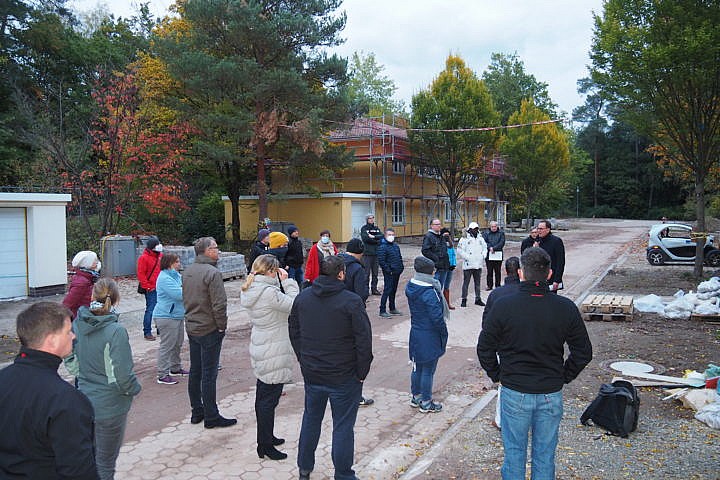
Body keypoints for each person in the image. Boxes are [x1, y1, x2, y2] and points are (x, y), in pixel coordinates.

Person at [476, 247, 592, 480]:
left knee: (514, 452)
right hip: (550, 391)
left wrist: (497, 375)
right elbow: (583, 352)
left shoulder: (504, 305)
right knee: (545, 454)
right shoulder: (565, 307)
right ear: (549, 274)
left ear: (520, 273)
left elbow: (484, 347)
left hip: (515, 389)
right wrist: (563, 375)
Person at [289, 255, 373, 480]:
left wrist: (303, 359)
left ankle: (304, 468)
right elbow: (364, 341)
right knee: (343, 427)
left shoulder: (303, 298)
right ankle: (343, 474)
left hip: (314, 372)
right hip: (343, 377)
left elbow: (293, 331)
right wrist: (361, 373)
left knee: (311, 419)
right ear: (341, 274)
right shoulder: (352, 301)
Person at [0, 302, 99, 480]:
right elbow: (79, 472)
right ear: (52, 340)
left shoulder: (4, 379)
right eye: (68, 331)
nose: (74, 336)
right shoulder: (67, 401)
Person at [71, 278, 142, 480]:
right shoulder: (116, 331)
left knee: (90, 458)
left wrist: (82, 376)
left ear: (92, 296)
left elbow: (70, 357)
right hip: (110, 407)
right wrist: (134, 389)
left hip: (84, 400)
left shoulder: (78, 323)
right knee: (105, 464)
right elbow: (122, 375)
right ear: (117, 300)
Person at [241, 254, 299, 461]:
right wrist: (288, 282)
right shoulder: (268, 293)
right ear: (271, 271)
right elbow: (295, 304)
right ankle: (264, 445)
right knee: (268, 400)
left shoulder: (254, 287)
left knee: (263, 396)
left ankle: (266, 437)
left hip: (262, 343)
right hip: (273, 347)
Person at [182, 237, 237, 429]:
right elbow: (219, 304)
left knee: (196, 370)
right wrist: (221, 326)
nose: (218, 251)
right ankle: (211, 416)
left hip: (193, 326)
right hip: (209, 328)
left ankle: (197, 411)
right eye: (215, 248)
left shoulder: (188, 271)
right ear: (206, 251)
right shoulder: (212, 273)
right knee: (208, 373)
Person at [480, 256, 521, 431]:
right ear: (520, 271)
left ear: (505, 271)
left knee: (506, 384)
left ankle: (500, 419)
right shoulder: (524, 292)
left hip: (502, 345)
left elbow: (486, 321)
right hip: (521, 342)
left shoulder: (496, 294)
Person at [406, 256, 448, 413]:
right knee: (428, 370)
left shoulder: (411, 286)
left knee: (417, 367)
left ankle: (416, 396)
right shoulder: (429, 292)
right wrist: (444, 332)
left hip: (416, 331)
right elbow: (437, 317)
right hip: (429, 335)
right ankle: (426, 401)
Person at [340, 238, 374, 407]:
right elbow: (362, 293)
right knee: (356, 354)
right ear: (360, 253)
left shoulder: (336, 262)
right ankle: (355, 396)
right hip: (352, 315)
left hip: (333, 313)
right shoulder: (357, 268)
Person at [153, 253, 188, 385]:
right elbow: (179, 294)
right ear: (169, 263)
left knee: (177, 343)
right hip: (166, 316)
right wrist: (188, 289)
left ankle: (175, 367)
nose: (179, 264)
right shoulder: (164, 278)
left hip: (177, 315)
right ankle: (162, 374)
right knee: (167, 345)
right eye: (177, 262)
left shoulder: (176, 276)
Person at [137, 235, 163, 340]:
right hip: (151, 288)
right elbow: (141, 274)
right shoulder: (144, 258)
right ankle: (147, 332)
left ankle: (159, 329)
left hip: (160, 287)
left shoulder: (160, 255)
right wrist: (148, 287)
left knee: (161, 309)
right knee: (150, 310)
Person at [456, 222, 487, 307]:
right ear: (470, 229)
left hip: (478, 263)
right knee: (466, 282)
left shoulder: (480, 238)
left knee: (477, 283)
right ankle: (464, 299)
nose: (475, 230)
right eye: (474, 229)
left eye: (476, 228)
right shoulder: (464, 239)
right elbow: (460, 250)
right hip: (468, 264)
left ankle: (478, 298)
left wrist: (483, 255)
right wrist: (467, 257)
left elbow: (485, 247)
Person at [63, 250, 101, 318]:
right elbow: (68, 303)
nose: (97, 262)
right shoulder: (82, 282)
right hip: (80, 319)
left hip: (85, 315)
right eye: (95, 260)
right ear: (88, 263)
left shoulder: (88, 277)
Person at [377, 227, 404, 318]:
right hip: (389, 273)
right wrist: (388, 270)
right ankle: (382, 310)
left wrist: (401, 267)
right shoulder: (382, 247)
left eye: (392, 235)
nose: (391, 236)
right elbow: (381, 261)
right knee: (387, 290)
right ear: (385, 236)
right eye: (389, 235)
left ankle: (392, 308)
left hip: (397, 272)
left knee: (393, 290)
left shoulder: (396, 246)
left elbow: (399, 257)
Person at [422, 219, 451, 295]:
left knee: (440, 288)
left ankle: (438, 304)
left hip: (444, 266)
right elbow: (425, 250)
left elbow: (446, 248)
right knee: (434, 288)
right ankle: (433, 305)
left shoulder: (441, 236)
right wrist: (436, 259)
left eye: (439, 224)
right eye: (436, 224)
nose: (439, 226)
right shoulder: (429, 236)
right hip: (436, 267)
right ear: (432, 226)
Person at [537, 219, 566, 292]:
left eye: (541, 229)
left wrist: (557, 280)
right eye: (538, 228)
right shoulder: (537, 241)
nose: (539, 231)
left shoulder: (556, 241)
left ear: (548, 229)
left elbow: (560, 262)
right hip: (538, 278)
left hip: (551, 278)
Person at [360, 213, 383, 295]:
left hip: (376, 254)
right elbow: (365, 239)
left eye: (373, 218)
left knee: (375, 273)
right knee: (366, 274)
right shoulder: (364, 228)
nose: (371, 219)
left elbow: (382, 237)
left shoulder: (376, 228)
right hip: (367, 254)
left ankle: (374, 289)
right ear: (367, 219)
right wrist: (376, 240)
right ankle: (366, 290)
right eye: (370, 218)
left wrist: (373, 237)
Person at [483, 221, 505, 290]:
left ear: (497, 226)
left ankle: (497, 285)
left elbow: (502, 242)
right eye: (492, 226)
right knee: (489, 271)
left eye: (495, 226)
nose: (494, 228)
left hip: (498, 254)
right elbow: (484, 242)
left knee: (497, 271)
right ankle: (489, 285)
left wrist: (494, 248)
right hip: (489, 254)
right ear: (490, 227)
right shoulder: (486, 233)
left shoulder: (501, 233)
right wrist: (490, 248)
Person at [440, 227, 457, 310]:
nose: (446, 236)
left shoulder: (450, 244)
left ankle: (447, 304)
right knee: (440, 286)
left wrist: (453, 264)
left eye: (448, 234)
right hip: (443, 268)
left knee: (447, 286)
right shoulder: (440, 244)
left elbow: (453, 255)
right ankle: (439, 305)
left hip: (450, 268)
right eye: (445, 235)